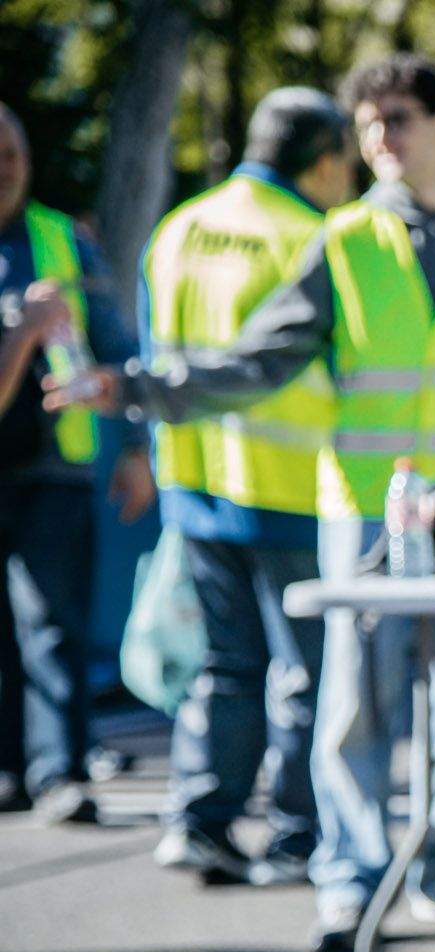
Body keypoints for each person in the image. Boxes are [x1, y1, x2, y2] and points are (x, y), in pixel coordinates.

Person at [57, 55, 435, 949]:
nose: (381, 136)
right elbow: (256, 359)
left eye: (400, 118)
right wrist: (137, 386)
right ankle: (348, 880)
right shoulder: (344, 236)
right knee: (354, 704)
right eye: (371, 122)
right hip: (366, 510)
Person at [136, 88, 356, 885]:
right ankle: (297, 836)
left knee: (224, 664)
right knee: (305, 673)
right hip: (293, 487)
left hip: (194, 484)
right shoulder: (314, 234)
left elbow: (157, 355)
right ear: (326, 160)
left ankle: (201, 821)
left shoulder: (180, 227)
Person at [0, 102, 154, 825]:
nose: (6, 169)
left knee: (54, 624)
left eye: (14, 154)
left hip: (53, 468)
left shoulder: (62, 239)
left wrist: (132, 448)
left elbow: (118, 349)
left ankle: (58, 767)